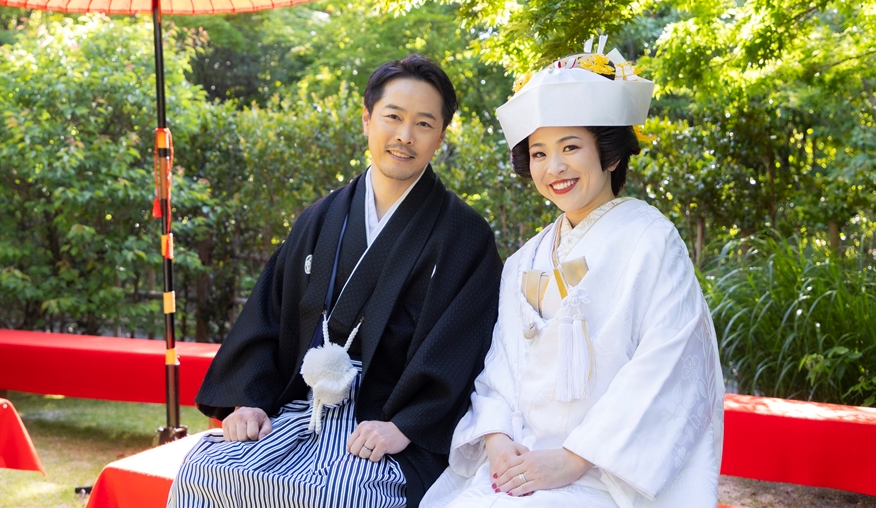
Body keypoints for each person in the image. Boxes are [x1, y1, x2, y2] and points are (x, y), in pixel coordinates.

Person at [168, 54, 504, 508]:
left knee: (337, 494)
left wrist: (406, 425)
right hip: (302, 405)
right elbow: (268, 317)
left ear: (441, 136)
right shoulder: (320, 219)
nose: (405, 136)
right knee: (204, 468)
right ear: (367, 119)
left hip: (386, 425)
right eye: (393, 117)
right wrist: (248, 401)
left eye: (424, 124)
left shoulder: (464, 235)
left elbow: (461, 349)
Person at [420, 39, 724, 508]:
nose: (554, 167)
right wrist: (497, 441)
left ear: (610, 154)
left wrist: (573, 458)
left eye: (570, 147)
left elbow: (668, 362)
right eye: (539, 153)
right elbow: (501, 368)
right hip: (522, 459)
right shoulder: (525, 260)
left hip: (606, 472)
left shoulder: (651, 240)